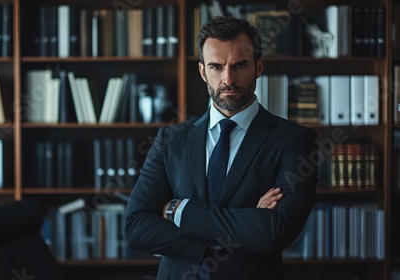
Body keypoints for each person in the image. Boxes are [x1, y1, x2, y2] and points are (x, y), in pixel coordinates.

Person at [125, 16, 318, 280]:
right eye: (216, 67)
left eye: (239, 65)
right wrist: (246, 223)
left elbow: (277, 231)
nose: (228, 79)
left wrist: (180, 211)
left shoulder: (294, 140)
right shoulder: (171, 139)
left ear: (258, 67)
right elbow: (136, 228)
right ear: (203, 71)